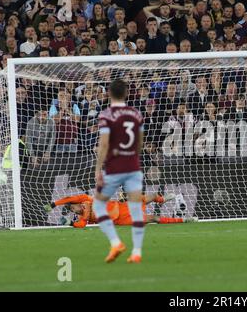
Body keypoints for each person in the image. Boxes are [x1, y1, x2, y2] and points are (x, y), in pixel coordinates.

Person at [94, 79, 145, 263]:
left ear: (109, 93)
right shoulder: (136, 114)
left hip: (114, 169)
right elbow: (139, 142)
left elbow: (104, 143)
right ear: (126, 93)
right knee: (135, 207)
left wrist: (98, 168)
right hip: (133, 166)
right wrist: (133, 158)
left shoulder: (106, 115)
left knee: (98, 205)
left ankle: (116, 243)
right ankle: (137, 252)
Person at [44, 192, 198, 228]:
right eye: (73, 210)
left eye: (73, 206)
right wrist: (70, 223)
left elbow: (71, 198)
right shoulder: (85, 218)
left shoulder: (87, 200)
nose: (75, 209)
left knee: (146, 197)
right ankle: (185, 219)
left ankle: (163, 199)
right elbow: (81, 225)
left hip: (122, 206)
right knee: (153, 219)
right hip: (121, 219)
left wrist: (53, 204)